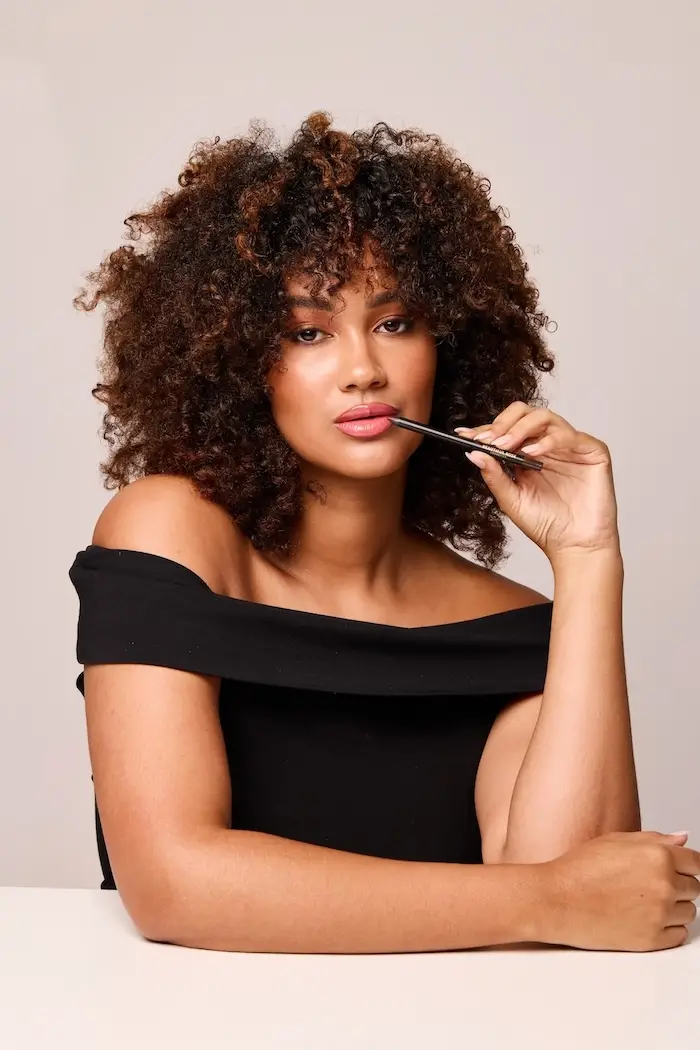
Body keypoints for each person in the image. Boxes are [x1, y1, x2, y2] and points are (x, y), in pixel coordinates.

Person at [69, 110, 698, 954]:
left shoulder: (508, 630)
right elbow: (175, 883)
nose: (364, 367)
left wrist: (587, 561)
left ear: (448, 343)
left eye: (395, 322)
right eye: (308, 332)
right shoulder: (171, 537)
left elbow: (583, 902)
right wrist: (538, 903)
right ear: (238, 361)